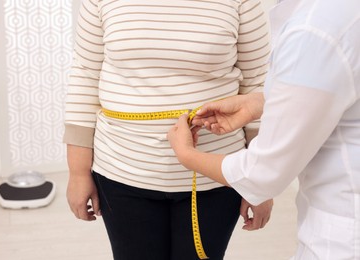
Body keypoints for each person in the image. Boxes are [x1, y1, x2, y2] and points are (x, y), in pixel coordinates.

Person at [63, 0, 274, 259]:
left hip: (216, 175)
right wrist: (78, 172)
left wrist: (261, 182)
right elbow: (85, 76)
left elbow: (260, 84)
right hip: (122, 171)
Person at [167, 0, 360, 259]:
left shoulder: (314, 31)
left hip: (344, 237)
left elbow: (262, 172)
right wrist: (260, 101)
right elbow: (338, 88)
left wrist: (186, 155)